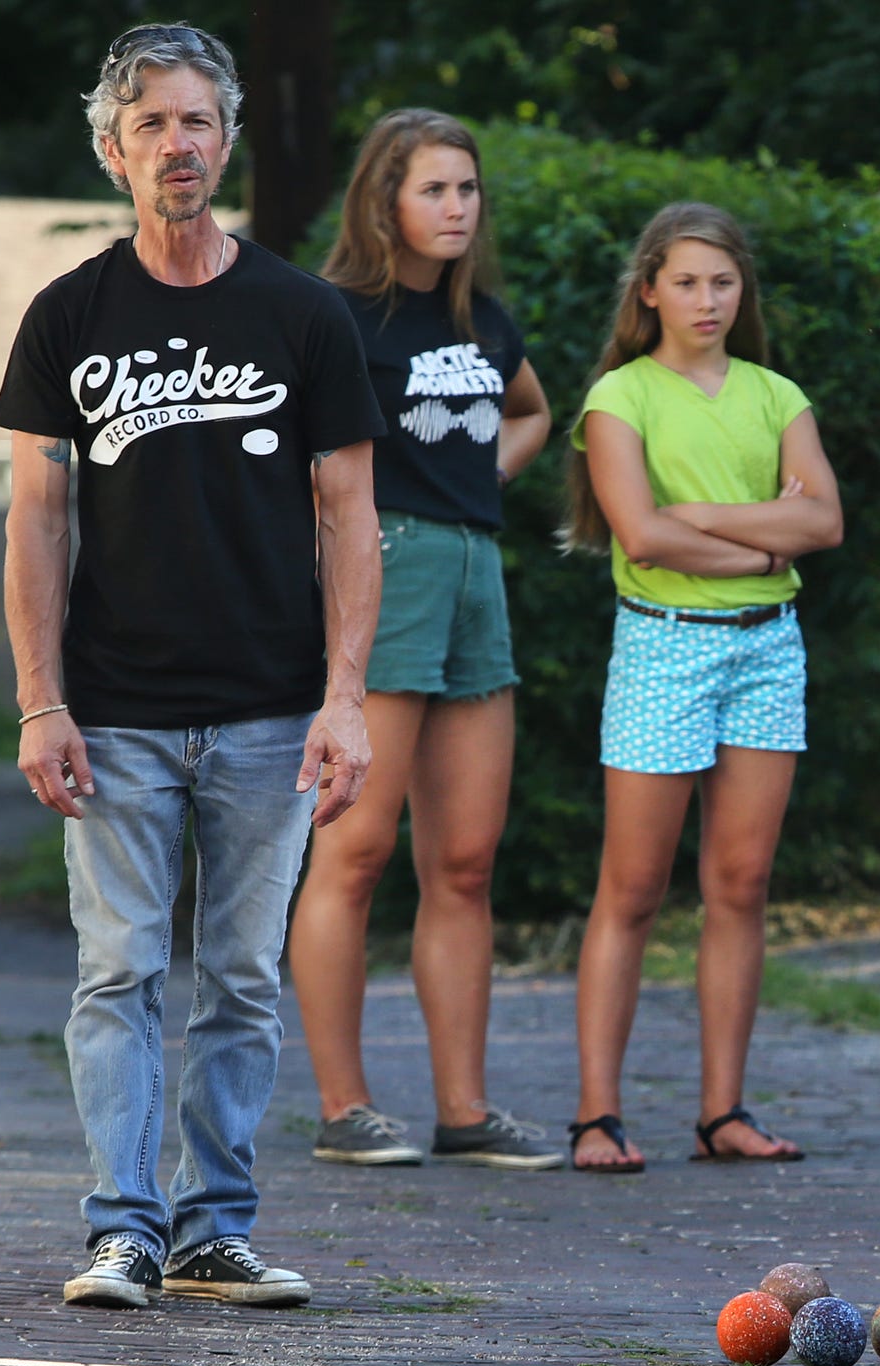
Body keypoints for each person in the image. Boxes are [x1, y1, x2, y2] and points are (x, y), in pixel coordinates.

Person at [0, 22, 382, 1309]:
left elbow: (347, 516)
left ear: (227, 142)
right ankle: (124, 1229)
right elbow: (37, 520)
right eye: (153, 122)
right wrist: (40, 698)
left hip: (273, 712)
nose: (180, 143)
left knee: (242, 977)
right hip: (114, 712)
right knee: (116, 973)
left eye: (199, 121)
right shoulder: (70, 316)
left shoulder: (301, 313)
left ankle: (215, 1228)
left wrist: (343, 697)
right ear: (114, 151)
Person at [286, 108, 561, 1173]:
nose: (457, 207)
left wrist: (484, 471)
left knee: (465, 858)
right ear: (385, 200)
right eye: (435, 190)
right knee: (354, 849)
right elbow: (299, 462)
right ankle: (345, 1106)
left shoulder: (484, 319)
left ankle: (465, 1108)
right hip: (385, 573)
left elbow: (533, 410)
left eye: (467, 189)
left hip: (473, 570)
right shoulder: (340, 316)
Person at [558, 202, 845, 1172]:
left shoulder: (777, 394)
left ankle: (723, 1110)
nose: (707, 299)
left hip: (769, 648)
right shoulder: (618, 398)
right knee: (633, 888)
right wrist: (768, 532)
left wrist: (713, 518)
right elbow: (641, 534)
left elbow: (827, 522)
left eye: (723, 282)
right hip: (663, 647)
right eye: (686, 281)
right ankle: (598, 1115)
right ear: (649, 290)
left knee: (742, 884)